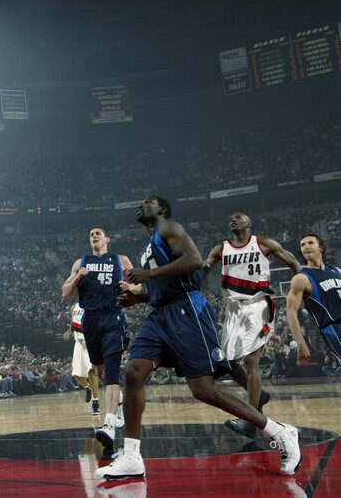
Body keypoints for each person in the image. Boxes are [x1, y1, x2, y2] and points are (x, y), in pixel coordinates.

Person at [96, 196, 301, 480]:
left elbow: (193, 261)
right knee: (133, 371)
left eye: (148, 202)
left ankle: (279, 431)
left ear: (162, 209)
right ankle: (132, 456)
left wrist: (149, 274)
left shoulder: (169, 227)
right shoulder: (149, 244)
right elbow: (161, 287)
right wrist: (138, 297)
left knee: (203, 390)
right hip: (161, 314)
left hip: (187, 309)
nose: (140, 205)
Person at [202, 212, 301, 437]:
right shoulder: (220, 249)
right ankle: (259, 395)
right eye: (231, 217)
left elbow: (295, 263)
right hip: (233, 309)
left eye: (238, 217)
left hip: (258, 304)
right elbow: (201, 272)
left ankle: (253, 419)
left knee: (251, 362)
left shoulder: (264, 244)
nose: (232, 219)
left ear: (249, 223)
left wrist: (298, 293)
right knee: (225, 363)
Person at [61, 228, 133, 448]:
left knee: (111, 370)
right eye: (91, 233)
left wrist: (129, 286)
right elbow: (65, 292)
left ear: (107, 239)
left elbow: (140, 285)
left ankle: (109, 423)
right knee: (99, 371)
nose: (94, 235)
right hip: (90, 320)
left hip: (113, 317)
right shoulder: (80, 262)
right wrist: (78, 277)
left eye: (98, 233)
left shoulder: (121, 260)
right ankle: (118, 400)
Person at [284, 233, 341, 363]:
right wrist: (300, 342)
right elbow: (291, 312)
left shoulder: (336, 271)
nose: (306, 247)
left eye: (310, 243)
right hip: (333, 327)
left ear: (321, 248)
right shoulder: (302, 278)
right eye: (303, 245)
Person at [63, 302, 100, 410]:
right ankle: (87, 388)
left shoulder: (93, 305)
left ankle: (95, 402)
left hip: (89, 342)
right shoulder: (74, 307)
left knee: (91, 371)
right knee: (76, 375)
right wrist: (69, 332)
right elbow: (73, 324)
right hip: (78, 344)